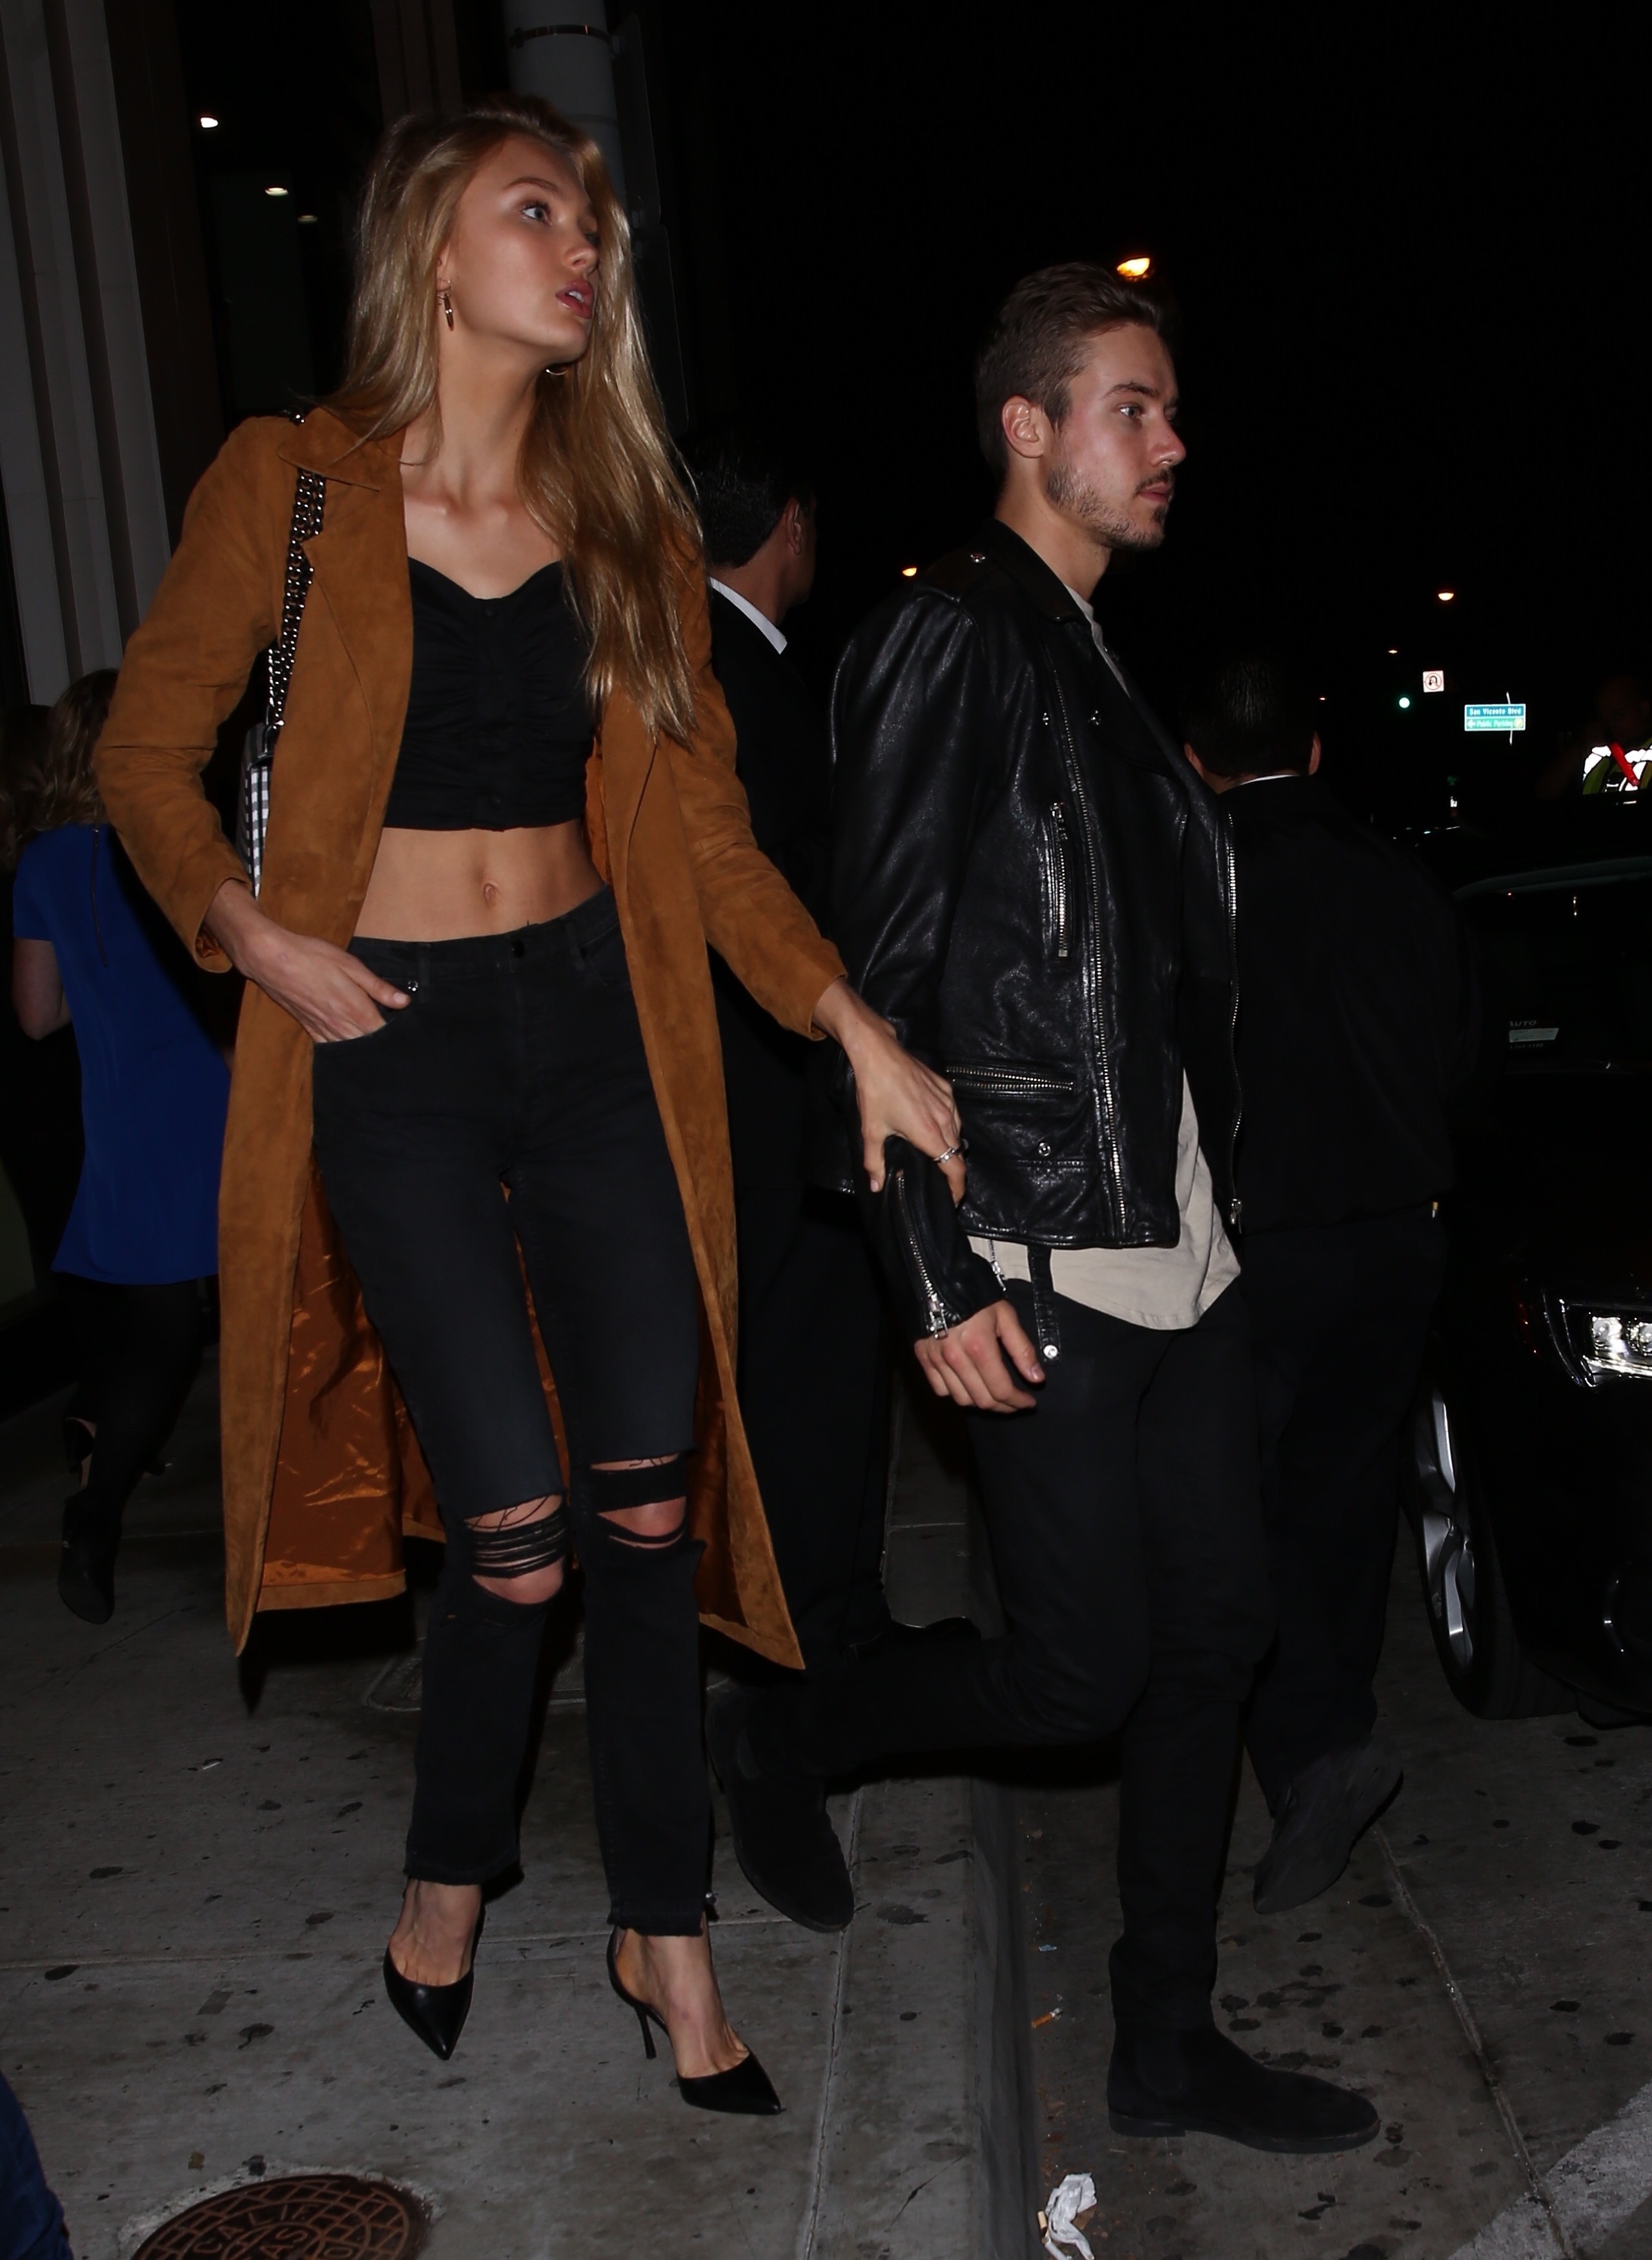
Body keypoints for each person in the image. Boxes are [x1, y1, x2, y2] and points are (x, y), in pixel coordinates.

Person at [96, 96, 956, 2105]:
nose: (583, 252)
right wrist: (250, 929)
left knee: (647, 1502)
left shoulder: (623, 517)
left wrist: (847, 1015)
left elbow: (710, 833)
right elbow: (143, 749)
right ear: (431, 245)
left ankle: (668, 1925)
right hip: (387, 1045)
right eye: (540, 213)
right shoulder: (291, 485)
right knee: (515, 1530)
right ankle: (449, 1865)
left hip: (591, 1032)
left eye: (593, 230)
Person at [710, 264, 1378, 2153]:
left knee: (1214, 1634)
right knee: (1076, 1668)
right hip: (1035, 1246)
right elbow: (878, 980)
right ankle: (797, 1721)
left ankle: (1164, 2040)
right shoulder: (948, 636)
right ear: (1029, 426)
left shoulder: (1089, 650)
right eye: (1131, 408)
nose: (1170, 444)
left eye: (1167, 411)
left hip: (1178, 1248)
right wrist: (931, 1271)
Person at [1182, 657, 1480, 1913]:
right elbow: (1460, 1054)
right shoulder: (1404, 879)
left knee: (1239, 1507)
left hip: (1263, 1249)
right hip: (1399, 1239)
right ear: (1314, 752)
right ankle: (1330, 1731)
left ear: (1196, 762)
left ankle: (1305, 1751)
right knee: (1348, 1496)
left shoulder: (1196, 879)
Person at [688, 425, 892, 1668]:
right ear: (792, 525)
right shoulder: (728, 674)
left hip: (754, 1084)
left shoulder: (715, 658)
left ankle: (816, 1618)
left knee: (797, 1369)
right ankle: (813, 1637)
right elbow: (766, 878)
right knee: (809, 1373)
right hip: (775, 1087)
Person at [6, 672, 227, 1625]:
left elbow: (35, 1016)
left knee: (163, 1336)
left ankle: (95, 1513)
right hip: (215, 1097)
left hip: (127, 1121)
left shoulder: (43, 864)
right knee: (273, 1311)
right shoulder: (173, 842)